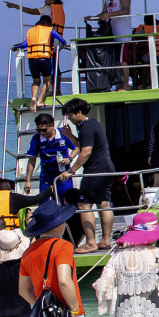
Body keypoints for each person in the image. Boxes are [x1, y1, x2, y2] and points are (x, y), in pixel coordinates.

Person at [63, 99, 117, 253]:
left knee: (84, 205)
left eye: (70, 115)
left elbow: (85, 152)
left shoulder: (86, 127)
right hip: (107, 168)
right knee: (104, 204)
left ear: (79, 112)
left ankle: (91, 243)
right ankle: (105, 240)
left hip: (95, 170)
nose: (70, 118)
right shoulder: (92, 123)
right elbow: (84, 144)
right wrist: (70, 136)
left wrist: (71, 171)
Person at [12, 13, 69, 109]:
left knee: (36, 81)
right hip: (44, 57)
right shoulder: (50, 30)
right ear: (48, 23)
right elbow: (62, 40)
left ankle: (33, 97)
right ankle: (39, 101)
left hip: (32, 58)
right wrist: (64, 45)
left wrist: (14, 47)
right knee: (47, 81)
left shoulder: (31, 31)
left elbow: (24, 44)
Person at [23, 112, 75, 201]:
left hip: (63, 175)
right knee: (44, 204)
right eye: (39, 130)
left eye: (44, 130)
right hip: (46, 177)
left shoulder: (63, 134)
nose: (41, 133)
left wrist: (69, 158)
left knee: (67, 200)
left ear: (52, 125)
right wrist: (28, 181)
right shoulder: (36, 139)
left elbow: (76, 148)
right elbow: (32, 160)